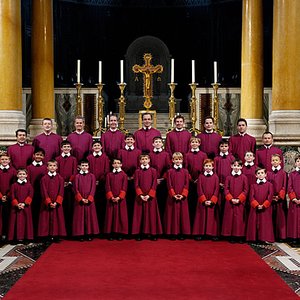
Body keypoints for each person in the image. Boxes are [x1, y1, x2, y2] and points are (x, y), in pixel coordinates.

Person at [132, 154, 162, 241]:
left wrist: (149, 195)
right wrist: (141, 195)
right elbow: (136, 184)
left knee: (151, 215)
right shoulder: (137, 171)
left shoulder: (153, 171)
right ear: (140, 161)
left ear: (149, 160)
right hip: (140, 197)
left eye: (146, 159)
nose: (144, 161)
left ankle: (152, 233)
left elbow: (154, 184)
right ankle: (140, 233)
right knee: (139, 215)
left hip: (150, 196)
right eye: (142, 159)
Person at [118, 133, 141, 232]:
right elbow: (118, 164)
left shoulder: (138, 151)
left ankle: (133, 227)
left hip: (135, 179)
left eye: (131, 140)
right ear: (125, 141)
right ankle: (124, 228)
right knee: (125, 203)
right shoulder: (121, 151)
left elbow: (140, 165)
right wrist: (125, 176)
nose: (130, 141)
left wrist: (134, 176)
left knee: (134, 203)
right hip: (123, 179)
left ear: (134, 141)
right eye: (128, 139)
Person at [38, 160, 66, 242]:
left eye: (54, 165)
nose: (52, 167)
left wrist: (57, 202)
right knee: (45, 219)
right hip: (46, 203)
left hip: (57, 203)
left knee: (57, 219)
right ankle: (46, 236)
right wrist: (49, 202)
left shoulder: (60, 178)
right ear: (47, 167)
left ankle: (56, 235)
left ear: (57, 167)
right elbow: (44, 191)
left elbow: (61, 191)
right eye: (50, 165)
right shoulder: (43, 178)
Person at [164, 152, 190, 240]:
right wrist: (173, 194)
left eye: (179, 159)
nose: (178, 161)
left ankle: (181, 233)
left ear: (182, 160)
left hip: (183, 197)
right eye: (176, 159)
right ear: (172, 160)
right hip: (172, 197)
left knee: (183, 215)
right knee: (172, 214)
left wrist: (183, 194)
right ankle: (172, 233)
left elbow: (187, 184)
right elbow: (169, 184)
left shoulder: (185, 171)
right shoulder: (169, 172)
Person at [222, 159, 249, 243]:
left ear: (241, 167)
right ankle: (231, 235)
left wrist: (239, 199)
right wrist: (231, 198)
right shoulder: (228, 177)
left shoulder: (244, 177)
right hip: (230, 202)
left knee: (239, 219)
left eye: (238, 166)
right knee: (230, 218)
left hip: (240, 202)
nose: (236, 167)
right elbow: (226, 189)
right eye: (234, 165)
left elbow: (245, 190)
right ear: (231, 166)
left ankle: (239, 236)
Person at [193, 159, 220, 241]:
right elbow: (199, 189)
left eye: (209, 166)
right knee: (201, 216)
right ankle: (200, 233)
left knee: (212, 217)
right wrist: (204, 200)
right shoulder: (201, 177)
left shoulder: (216, 177)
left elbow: (216, 189)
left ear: (213, 167)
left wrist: (212, 200)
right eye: (206, 166)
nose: (208, 167)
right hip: (202, 201)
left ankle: (212, 233)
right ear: (203, 167)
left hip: (212, 200)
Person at [72, 159, 99, 241]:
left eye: (86, 165)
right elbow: (75, 189)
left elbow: (93, 188)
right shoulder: (76, 177)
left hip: (89, 200)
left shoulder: (92, 176)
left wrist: (89, 198)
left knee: (90, 217)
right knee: (79, 217)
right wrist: (81, 199)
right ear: (79, 167)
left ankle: (89, 234)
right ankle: (80, 234)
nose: (84, 167)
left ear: (88, 166)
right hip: (79, 201)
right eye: (83, 165)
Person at [246, 168, 274, 243]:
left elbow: (270, 196)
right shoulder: (253, 185)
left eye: (262, 173)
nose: (260, 174)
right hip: (255, 207)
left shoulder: (269, 185)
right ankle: (254, 238)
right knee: (254, 222)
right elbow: (251, 197)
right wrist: (256, 205)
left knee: (265, 222)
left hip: (265, 208)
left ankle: (264, 238)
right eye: (258, 173)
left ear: (265, 174)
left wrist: (264, 205)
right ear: (256, 175)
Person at [55, 141, 77, 236]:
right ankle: (59, 231)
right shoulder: (57, 159)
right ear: (61, 148)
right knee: (60, 208)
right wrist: (61, 182)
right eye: (65, 146)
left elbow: (74, 171)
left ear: (71, 148)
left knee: (69, 207)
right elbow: (56, 170)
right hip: (59, 186)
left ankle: (69, 230)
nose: (66, 148)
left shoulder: (73, 159)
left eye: (68, 146)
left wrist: (69, 182)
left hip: (70, 186)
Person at [87, 140, 110, 231]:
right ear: (92, 148)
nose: (96, 147)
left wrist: (99, 181)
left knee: (102, 206)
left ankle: (101, 228)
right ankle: (92, 228)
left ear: (101, 147)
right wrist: (93, 180)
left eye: (98, 145)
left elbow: (107, 171)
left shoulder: (105, 158)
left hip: (101, 185)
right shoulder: (88, 158)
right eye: (95, 145)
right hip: (90, 185)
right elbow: (87, 170)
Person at [184, 137, 207, 225]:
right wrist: (190, 178)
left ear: (199, 144)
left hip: (200, 181)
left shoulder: (203, 155)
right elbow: (185, 168)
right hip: (190, 182)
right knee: (191, 203)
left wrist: (199, 178)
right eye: (192, 142)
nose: (194, 143)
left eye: (196, 142)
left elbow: (205, 167)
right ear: (190, 144)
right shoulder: (187, 155)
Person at [104, 158, 128, 241]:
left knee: (121, 216)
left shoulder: (124, 175)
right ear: (112, 165)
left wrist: (119, 197)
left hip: (120, 199)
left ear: (121, 164)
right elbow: (107, 186)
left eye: (118, 163)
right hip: (111, 198)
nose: (116, 165)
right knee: (111, 216)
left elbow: (124, 187)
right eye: (115, 163)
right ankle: (111, 233)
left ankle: (120, 233)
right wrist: (111, 197)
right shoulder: (109, 175)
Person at [8, 169, 34, 243]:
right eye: (20, 174)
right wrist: (17, 204)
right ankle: (14, 238)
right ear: (17, 175)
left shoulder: (29, 185)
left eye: (23, 174)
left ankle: (26, 238)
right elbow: (12, 195)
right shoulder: (13, 185)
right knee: (14, 222)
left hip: (26, 207)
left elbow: (30, 195)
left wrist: (24, 204)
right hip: (15, 207)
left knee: (26, 222)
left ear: (26, 175)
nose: (21, 175)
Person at [27, 148, 47, 234]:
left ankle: (41, 232)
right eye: (37, 154)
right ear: (33, 155)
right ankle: (33, 232)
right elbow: (28, 181)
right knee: (33, 212)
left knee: (42, 213)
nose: (39, 156)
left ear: (44, 157)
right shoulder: (29, 167)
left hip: (43, 194)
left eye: (41, 155)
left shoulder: (46, 167)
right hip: (32, 193)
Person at [149, 136, 171, 218]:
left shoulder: (166, 155)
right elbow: (149, 168)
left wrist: (162, 178)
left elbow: (168, 168)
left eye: (159, 142)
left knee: (162, 201)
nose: (158, 143)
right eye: (156, 142)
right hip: (152, 182)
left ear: (162, 144)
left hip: (162, 181)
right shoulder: (149, 155)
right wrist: (155, 180)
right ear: (153, 144)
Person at [267, 154, 287, 241]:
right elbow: (267, 186)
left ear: (280, 161)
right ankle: (272, 235)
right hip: (271, 199)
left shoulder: (283, 173)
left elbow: (284, 186)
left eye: (276, 160)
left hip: (280, 199)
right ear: (271, 162)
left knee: (280, 217)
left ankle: (281, 236)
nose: (275, 162)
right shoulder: (268, 173)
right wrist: (271, 196)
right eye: (273, 160)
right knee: (271, 217)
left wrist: (279, 196)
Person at [0, 153, 17, 242]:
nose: (4, 161)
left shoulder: (13, 171)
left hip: (9, 197)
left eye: (6, 159)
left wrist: (7, 195)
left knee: (8, 216)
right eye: (2, 159)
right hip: (0, 196)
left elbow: (14, 185)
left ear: (9, 161)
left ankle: (7, 234)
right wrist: (1, 196)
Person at [287, 156, 300, 244]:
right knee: (294, 220)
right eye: (298, 161)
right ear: (295, 163)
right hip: (294, 201)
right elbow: (290, 187)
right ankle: (294, 238)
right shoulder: (292, 174)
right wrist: (294, 198)